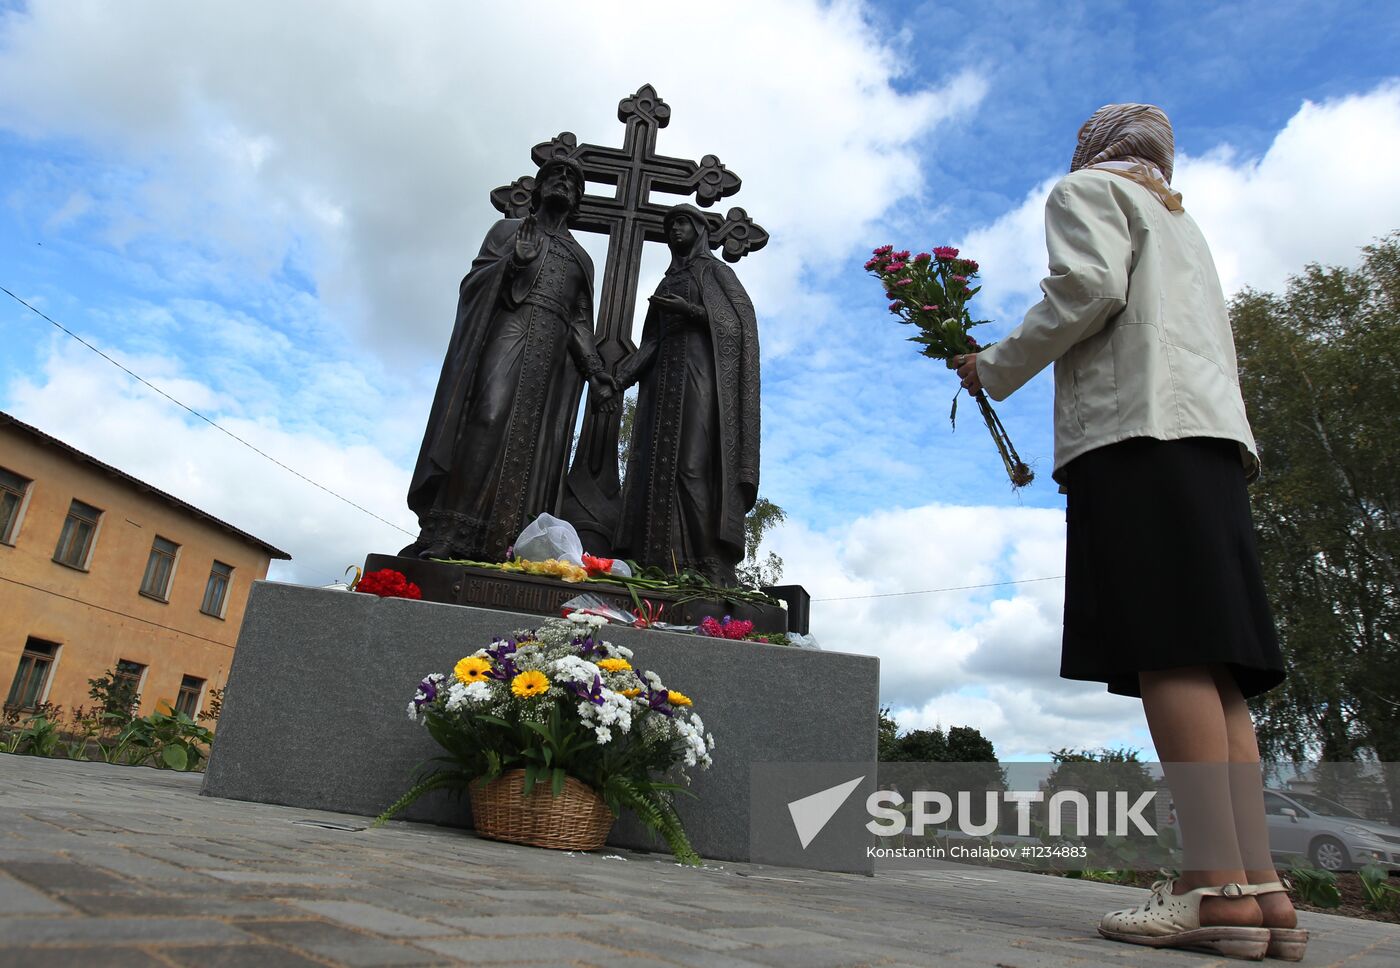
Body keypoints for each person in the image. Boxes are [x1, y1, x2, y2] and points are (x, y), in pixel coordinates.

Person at [955, 104, 1302, 961]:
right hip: (1212, 443)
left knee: (1170, 649)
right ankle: (1259, 893)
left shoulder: (1086, 191)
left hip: (1136, 435)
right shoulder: (1184, 223)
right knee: (1218, 666)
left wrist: (993, 366)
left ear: (1094, 150)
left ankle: (1209, 886)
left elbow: (1089, 288)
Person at [402, 157, 617, 562]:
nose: (565, 183)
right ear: (539, 187)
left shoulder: (580, 258)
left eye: (573, 181)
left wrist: (595, 372)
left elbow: (580, 322)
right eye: (557, 176)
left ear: (579, 199)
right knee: (487, 415)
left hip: (550, 355)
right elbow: (474, 283)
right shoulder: (508, 230)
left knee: (535, 444)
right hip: (509, 330)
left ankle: (506, 541)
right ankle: (450, 531)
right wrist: (513, 261)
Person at [613, 204, 760, 585]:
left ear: (699, 229)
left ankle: (707, 561)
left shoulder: (715, 272)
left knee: (693, 465)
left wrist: (693, 312)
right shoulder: (665, 282)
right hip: (663, 386)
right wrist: (617, 379)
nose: (674, 230)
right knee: (655, 465)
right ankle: (658, 560)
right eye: (670, 225)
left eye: (682, 223)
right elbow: (651, 341)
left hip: (702, 380)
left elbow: (739, 325)